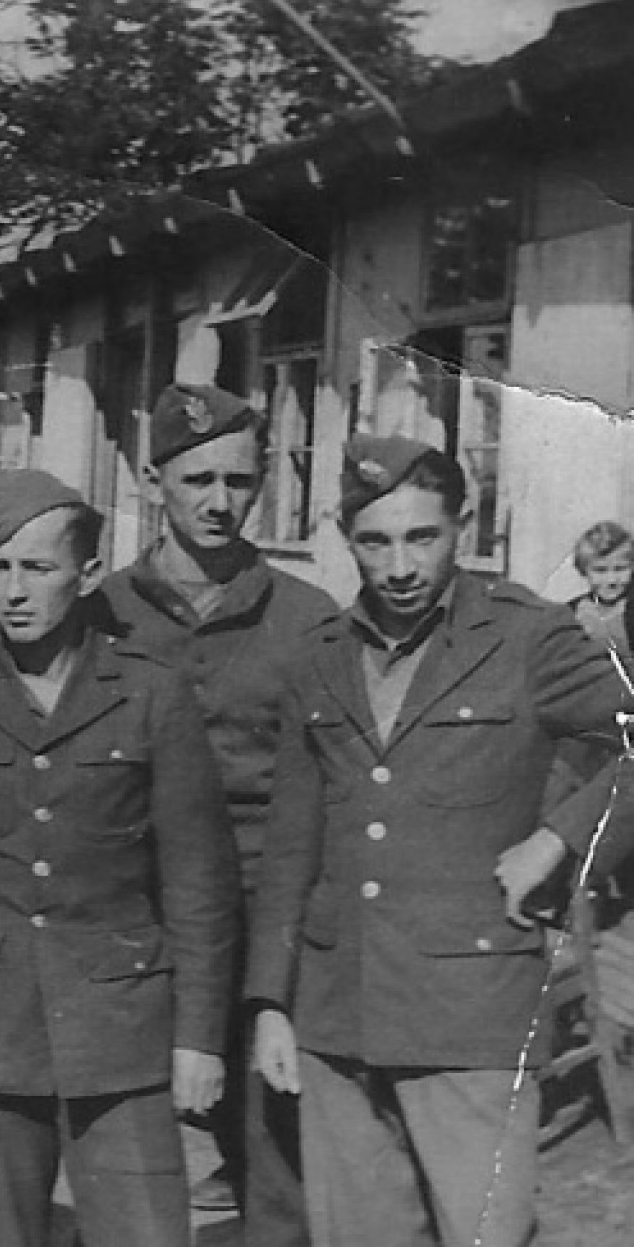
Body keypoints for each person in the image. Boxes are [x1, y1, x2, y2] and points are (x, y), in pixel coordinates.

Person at [248, 435, 634, 1247]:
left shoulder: (527, 635)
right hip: (335, 1013)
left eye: (421, 537)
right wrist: (271, 1002)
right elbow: (291, 843)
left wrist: (557, 841)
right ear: (344, 536)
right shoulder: (318, 656)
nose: (398, 567)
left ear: (464, 524)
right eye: (374, 541)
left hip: (472, 1011)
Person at [0, 468, 241, 1247]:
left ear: (88, 573)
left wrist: (199, 1038)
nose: (13, 590)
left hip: (121, 1027)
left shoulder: (150, 693)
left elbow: (199, 883)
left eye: (38, 568)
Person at [96, 383, 335, 1243]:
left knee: (273, 1156)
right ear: (154, 482)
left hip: (263, 913)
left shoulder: (307, 620)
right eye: (197, 479)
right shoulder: (100, 614)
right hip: (131, 913)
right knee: (120, 1148)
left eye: (238, 480)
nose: (219, 502)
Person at [567, 520, 633, 661]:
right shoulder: (573, 613)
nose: (611, 580)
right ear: (584, 570)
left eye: (620, 569)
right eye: (600, 570)